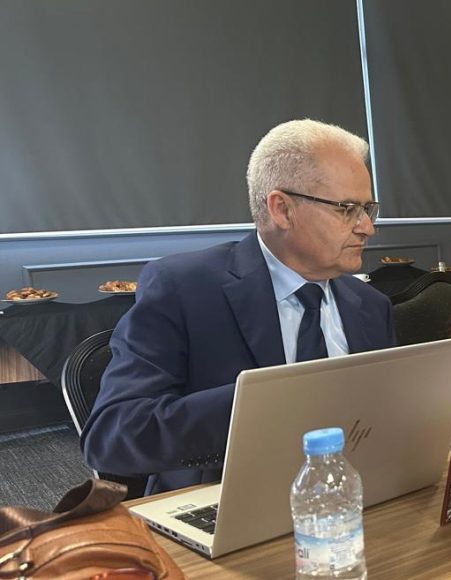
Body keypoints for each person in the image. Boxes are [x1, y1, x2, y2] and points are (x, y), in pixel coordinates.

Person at [82, 119, 397, 494]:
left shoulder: (370, 306)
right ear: (282, 209)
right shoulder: (184, 288)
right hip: (224, 499)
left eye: (368, 209)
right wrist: (263, 405)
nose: (366, 227)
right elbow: (112, 435)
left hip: (350, 498)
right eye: (347, 209)